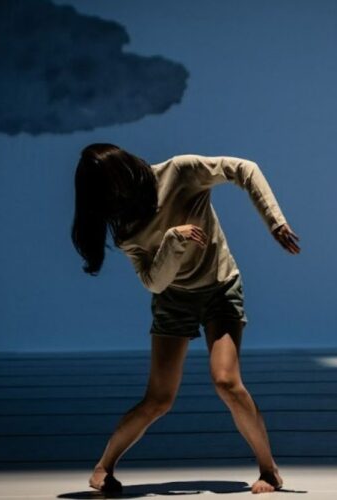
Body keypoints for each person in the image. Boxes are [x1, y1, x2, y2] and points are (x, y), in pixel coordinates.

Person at [71, 144, 300, 493]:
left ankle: (269, 470)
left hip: (220, 288)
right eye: (107, 193)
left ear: (127, 169)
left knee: (226, 381)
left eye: (117, 184)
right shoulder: (127, 229)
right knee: (158, 399)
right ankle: (103, 467)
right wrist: (172, 239)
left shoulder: (179, 172)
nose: (117, 195)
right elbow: (155, 283)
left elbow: (245, 168)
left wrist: (275, 221)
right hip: (172, 300)